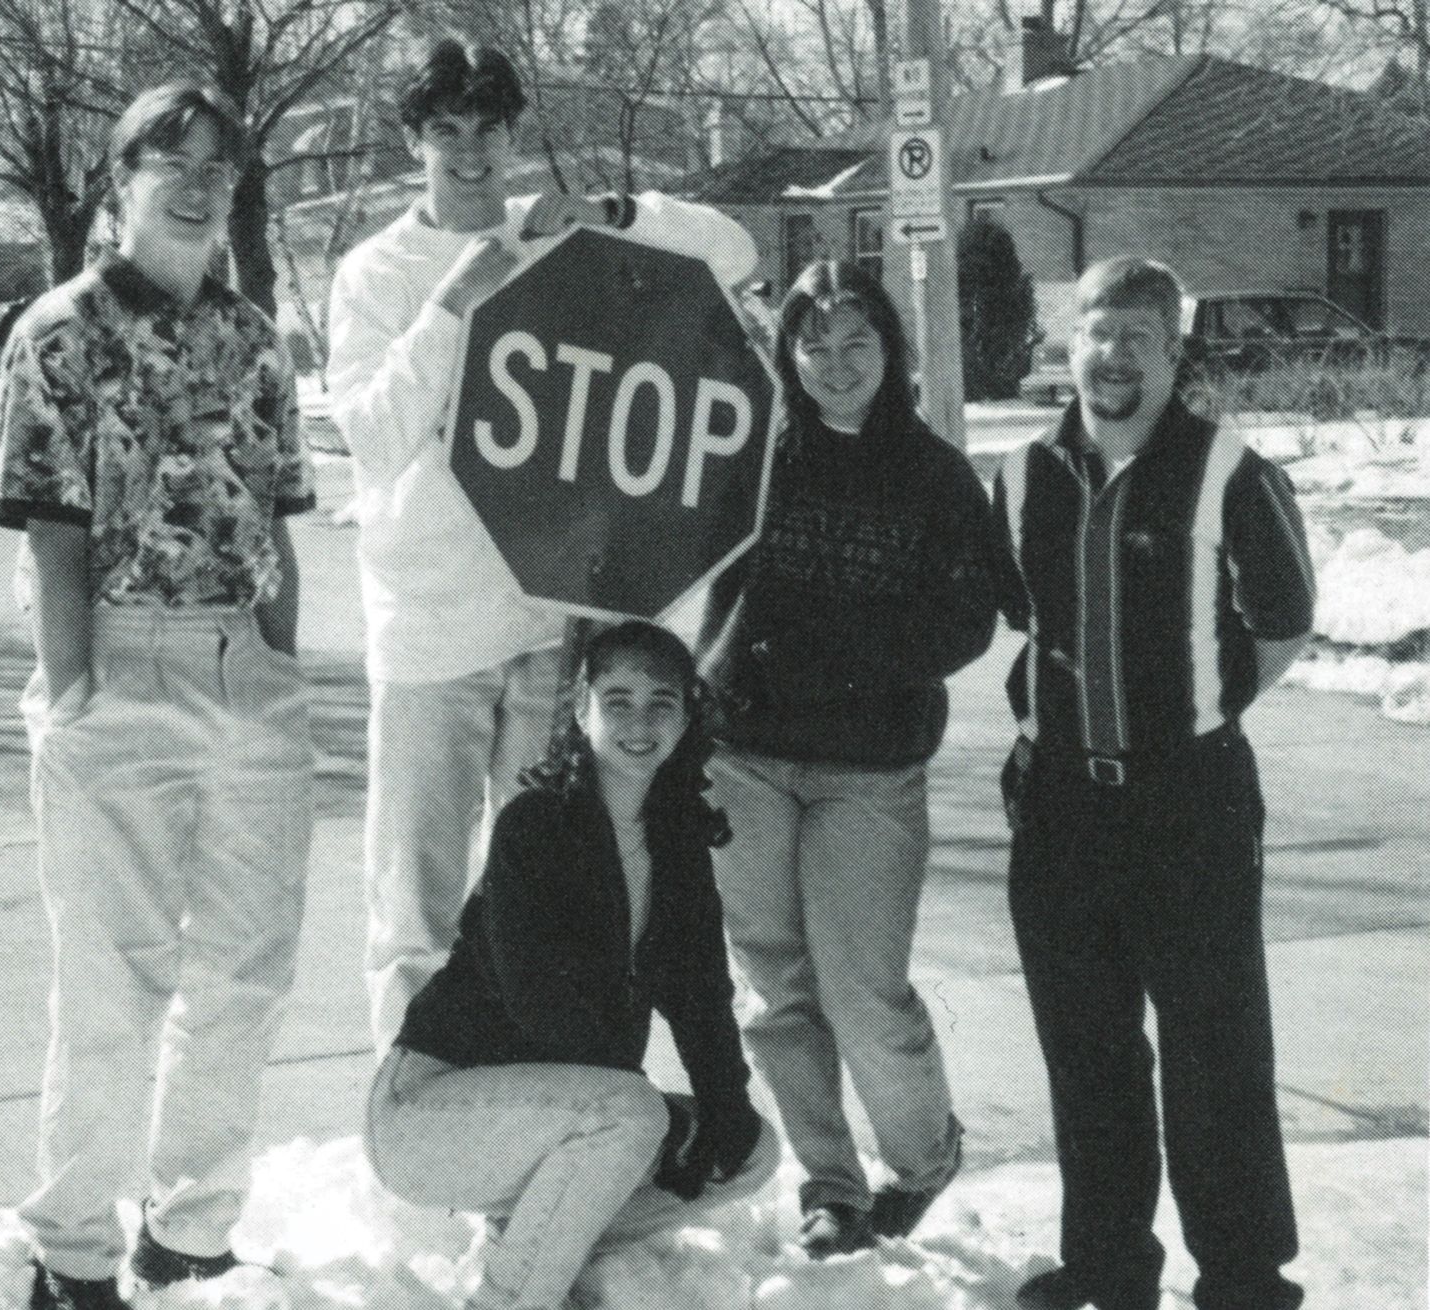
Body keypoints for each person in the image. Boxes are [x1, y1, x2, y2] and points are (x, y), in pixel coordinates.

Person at [326, 38, 760, 1056]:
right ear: (414, 140)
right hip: (427, 630)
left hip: (547, 628)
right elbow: (374, 437)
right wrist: (453, 304)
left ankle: (532, 1100)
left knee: (546, 898)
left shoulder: (555, 240)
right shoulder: (374, 272)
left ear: (514, 134)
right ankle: (410, 1109)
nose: (469, 151)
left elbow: (733, 251)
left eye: (489, 128)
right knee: (416, 902)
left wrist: (611, 213)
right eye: (446, 130)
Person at [0, 83, 315, 1310]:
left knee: (246, 971)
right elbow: (51, 531)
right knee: (111, 983)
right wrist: (76, 688)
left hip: (246, 669)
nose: (195, 186)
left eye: (217, 168)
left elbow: (282, 512)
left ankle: (191, 1229)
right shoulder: (61, 331)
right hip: (119, 663)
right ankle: (73, 1250)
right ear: (120, 182)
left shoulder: (254, 338)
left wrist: (279, 657)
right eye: (170, 163)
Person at [992, 258, 1314, 1310]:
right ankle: (1109, 1263)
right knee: (1086, 1047)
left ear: (1174, 352)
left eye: (1139, 333)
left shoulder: (1229, 469)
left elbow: (1283, 620)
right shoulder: (1023, 474)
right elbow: (1020, 619)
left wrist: (1197, 715)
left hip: (1190, 802)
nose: (1115, 353)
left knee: (1215, 1048)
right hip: (1061, 804)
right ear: (1070, 343)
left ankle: (1245, 1277)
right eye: (1099, 330)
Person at [696, 259, 999, 1257]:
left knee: (862, 989)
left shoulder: (934, 474)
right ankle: (830, 1185)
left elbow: (969, 617)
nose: (836, 363)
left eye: (856, 341)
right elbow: (682, 552)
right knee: (777, 990)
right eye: (814, 344)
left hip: (868, 768)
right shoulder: (753, 452)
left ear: (889, 349)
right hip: (745, 756)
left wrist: (850, 660)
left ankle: (922, 1154)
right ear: (787, 354)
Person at [366, 621, 779, 1310]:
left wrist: (723, 1110)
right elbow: (542, 1008)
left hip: (555, 1114)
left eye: (661, 702)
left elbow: (703, 999)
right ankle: (509, 1298)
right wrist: (662, 1122)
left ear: (687, 716)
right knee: (632, 1116)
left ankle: (531, 1246)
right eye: (618, 701)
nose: (639, 723)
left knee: (751, 1151)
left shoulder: (677, 842)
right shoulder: (536, 826)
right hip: (431, 1114)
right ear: (582, 711)